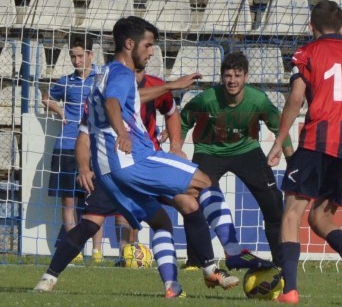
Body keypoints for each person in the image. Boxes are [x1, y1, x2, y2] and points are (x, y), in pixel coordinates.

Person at [33, 16, 228, 298]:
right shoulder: (122, 76)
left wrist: (86, 166)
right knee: (204, 182)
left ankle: (171, 286)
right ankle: (228, 258)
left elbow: (88, 128)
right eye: (148, 46)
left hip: (108, 173)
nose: (151, 52)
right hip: (133, 162)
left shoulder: (101, 79)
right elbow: (115, 103)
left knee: (157, 221)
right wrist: (121, 132)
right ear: (129, 44)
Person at [267, 0, 342, 304]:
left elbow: (296, 98)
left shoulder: (308, 53)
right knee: (320, 217)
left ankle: (289, 289)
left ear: (311, 27)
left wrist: (280, 140)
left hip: (317, 140)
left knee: (292, 213)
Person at [180, 51, 292, 269]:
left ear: (246, 77)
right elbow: (183, 120)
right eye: (228, 75)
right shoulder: (207, 99)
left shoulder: (258, 100)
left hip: (246, 150)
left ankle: (281, 261)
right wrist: (177, 147)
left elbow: (281, 129)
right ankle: (196, 260)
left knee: (273, 203)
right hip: (209, 150)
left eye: (237, 75)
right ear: (222, 77)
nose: (232, 80)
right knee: (192, 199)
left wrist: (292, 163)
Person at [42, 35, 102, 264]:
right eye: (72, 56)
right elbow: (46, 98)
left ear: (90, 55)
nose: (76, 61)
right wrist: (60, 111)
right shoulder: (66, 81)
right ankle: (72, 250)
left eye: (80, 56)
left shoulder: (101, 78)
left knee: (95, 201)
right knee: (68, 201)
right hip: (66, 145)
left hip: (93, 148)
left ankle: (97, 251)